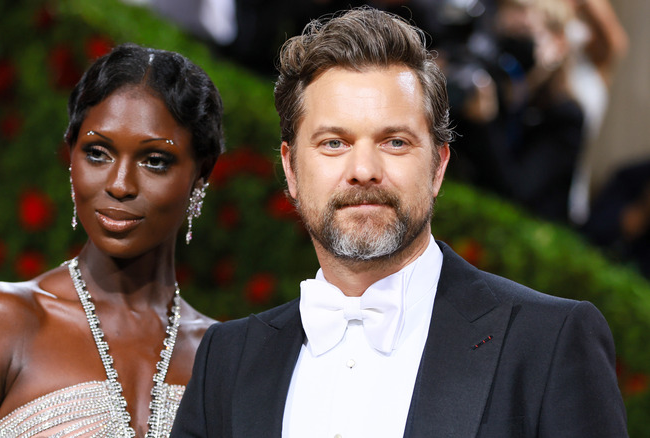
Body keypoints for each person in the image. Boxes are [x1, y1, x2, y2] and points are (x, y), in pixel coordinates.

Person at [171, 7, 627, 437]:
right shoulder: (226, 360)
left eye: (394, 142)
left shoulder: (548, 341)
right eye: (333, 143)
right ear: (291, 169)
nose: (363, 169)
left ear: (438, 167)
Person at [0, 42, 223, 437]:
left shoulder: (220, 355)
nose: (120, 184)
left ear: (201, 174)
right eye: (97, 153)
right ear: (70, 153)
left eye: (154, 160)